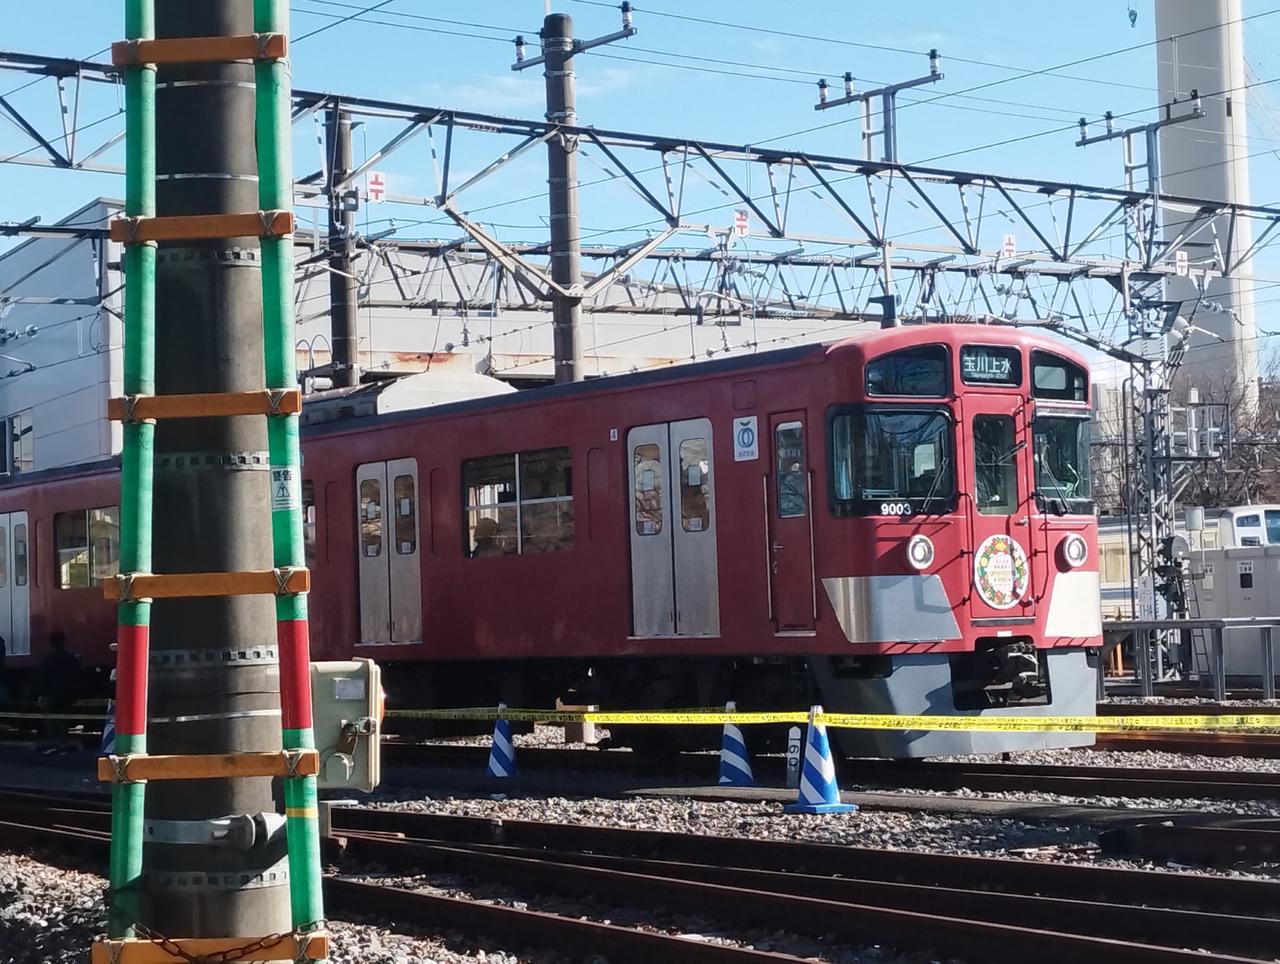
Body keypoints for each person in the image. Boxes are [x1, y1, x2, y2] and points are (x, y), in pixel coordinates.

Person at [38, 631, 81, 754]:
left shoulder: (47, 659)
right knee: (63, 720)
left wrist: (41, 694)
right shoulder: (71, 658)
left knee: (50, 719)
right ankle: (62, 743)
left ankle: (53, 743)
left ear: (51, 643)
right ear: (64, 642)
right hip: (67, 694)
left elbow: (42, 678)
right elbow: (78, 674)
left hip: (51, 694)